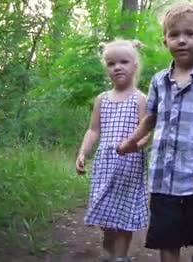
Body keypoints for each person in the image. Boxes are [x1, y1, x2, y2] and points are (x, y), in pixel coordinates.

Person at [117, 1, 193, 262]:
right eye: (174, 35)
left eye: (189, 34)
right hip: (163, 178)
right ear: (165, 41)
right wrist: (132, 140)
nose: (181, 40)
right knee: (167, 239)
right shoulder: (159, 81)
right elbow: (150, 118)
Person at [75, 39, 150, 262]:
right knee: (104, 211)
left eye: (123, 62)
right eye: (111, 63)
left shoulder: (141, 99)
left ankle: (121, 256)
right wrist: (82, 153)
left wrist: (136, 144)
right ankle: (109, 246)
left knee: (125, 213)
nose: (117, 67)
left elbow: (145, 131)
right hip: (105, 164)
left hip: (130, 164)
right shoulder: (102, 100)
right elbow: (93, 130)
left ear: (135, 66)